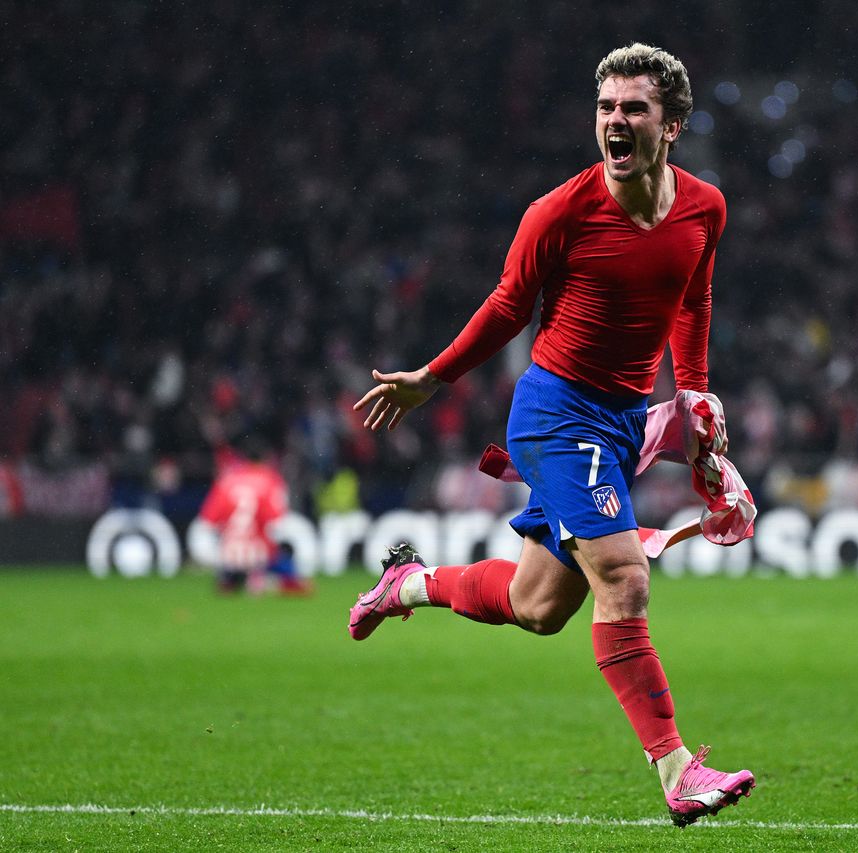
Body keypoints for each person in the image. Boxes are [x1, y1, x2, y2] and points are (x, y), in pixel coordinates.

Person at [346, 43, 755, 826]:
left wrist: (695, 390)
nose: (616, 121)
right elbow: (507, 306)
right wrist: (432, 377)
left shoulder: (706, 206)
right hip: (557, 412)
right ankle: (677, 770)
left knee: (539, 605)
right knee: (625, 580)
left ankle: (410, 584)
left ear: (672, 125)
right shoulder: (561, 212)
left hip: (623, 420)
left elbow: (692, 300)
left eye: (634, 108)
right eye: (606, 108)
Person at [198, 438, 308, 595]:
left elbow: (208, 520)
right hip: (260, 554)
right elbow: (277, 522)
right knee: (292, 573)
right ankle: (262, 579)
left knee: (228, 578)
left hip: (229, 555)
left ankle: (234, 578)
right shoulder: (270, 480)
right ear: (266, 458)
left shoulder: (227, 480)